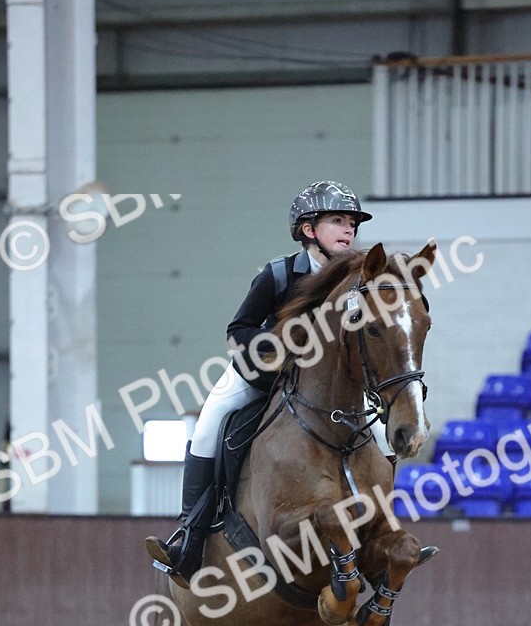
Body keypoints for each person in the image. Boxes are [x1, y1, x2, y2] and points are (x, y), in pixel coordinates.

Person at [145, 180, 373, 585]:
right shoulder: (279, 274)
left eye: (352, 223)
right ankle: (189, 534)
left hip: (329, 390)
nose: (349, 229)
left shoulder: (358, 282)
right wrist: (282, 354)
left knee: (383, 432)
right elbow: (239, 329)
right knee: (210, 421)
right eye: (338, 220)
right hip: (264, 376)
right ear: (308, 229)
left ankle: (378, 533)